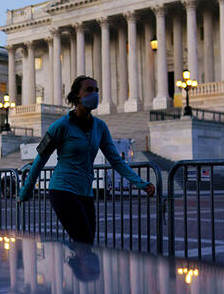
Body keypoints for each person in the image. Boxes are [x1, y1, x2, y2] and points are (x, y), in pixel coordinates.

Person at [17, 75, 155, 244]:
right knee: (83, 240)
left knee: (86, 243)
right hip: (62, 190)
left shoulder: (100, 127)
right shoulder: (60, 126)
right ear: (77, 96)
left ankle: (74, 265)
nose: (95, 94)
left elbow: (116, 161)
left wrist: (141, 183)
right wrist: (26, 190)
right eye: (89, 90)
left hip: (85, 192)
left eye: (96, 90)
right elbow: (40, 159)